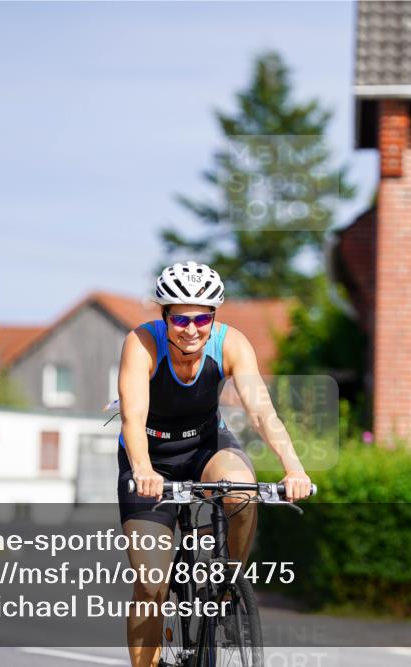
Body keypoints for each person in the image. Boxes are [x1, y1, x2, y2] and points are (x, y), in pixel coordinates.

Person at [116, 260, 312, 667]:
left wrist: (294, 467)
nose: (191, 329)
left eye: (202, 319)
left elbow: (262, 412)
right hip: (151, 458)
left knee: (241, 492)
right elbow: (132, 417)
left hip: (206, 445)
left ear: (213, 317)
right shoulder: (142, 343)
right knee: (151, 586)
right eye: (180, 319)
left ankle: (227, 586)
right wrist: (143, 469)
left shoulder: (231, 344)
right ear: (165, 316)